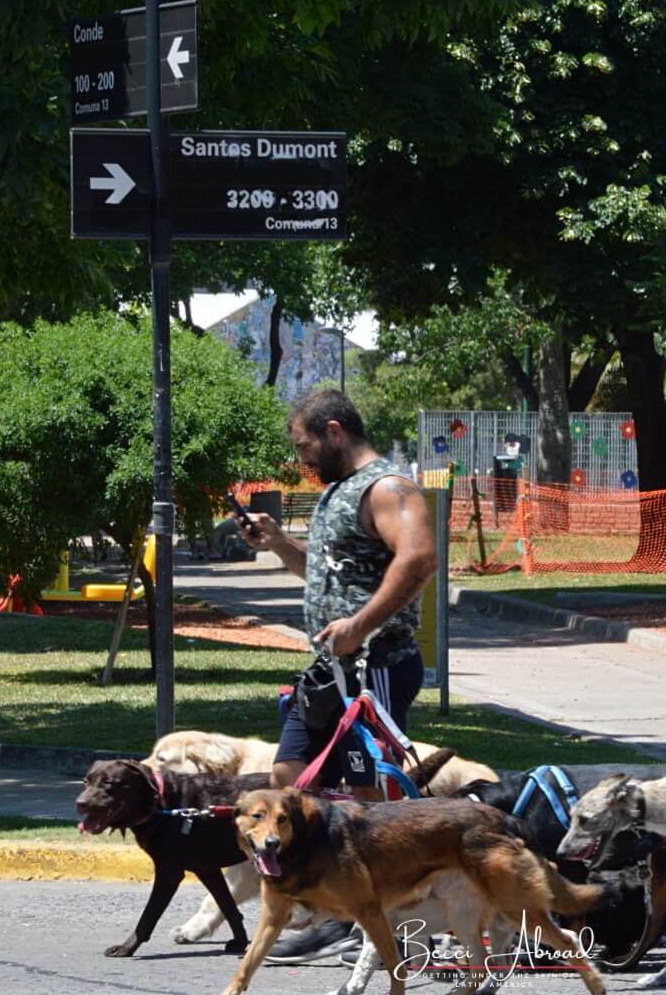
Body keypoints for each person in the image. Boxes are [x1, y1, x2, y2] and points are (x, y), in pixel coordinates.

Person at [237, 387, 438, 963]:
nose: (301, 459)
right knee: (289, 773)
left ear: (333, 430)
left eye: (304, 445)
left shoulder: (388, 488)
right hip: (328, 669)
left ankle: (371, 917)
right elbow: (330, 574)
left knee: (365, 796)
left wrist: (360, 625)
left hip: (374, 666)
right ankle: (328, 899)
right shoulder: (335, 496)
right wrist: (279, 543)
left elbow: (419, 558)